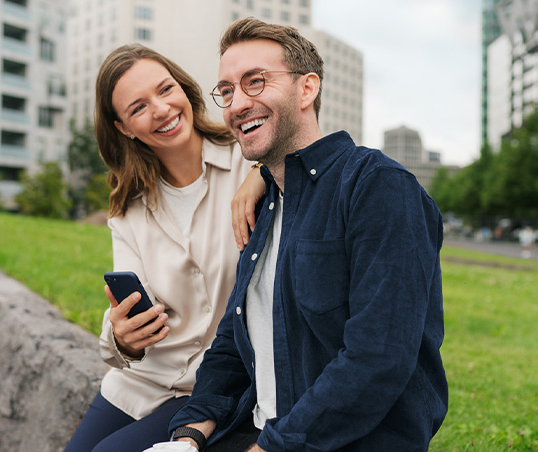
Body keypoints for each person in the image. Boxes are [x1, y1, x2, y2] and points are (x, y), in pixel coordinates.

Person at [168, 18, 448, 452]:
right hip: (261, 431)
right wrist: (188, 435)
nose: (237, 103)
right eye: (226, 90)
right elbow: (232, 345)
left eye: (255, 82)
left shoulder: (379, 187)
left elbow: (378, 359)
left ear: (307, 89)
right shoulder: (266, 203)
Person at [62, 44, 265, 452]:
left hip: (215, 384)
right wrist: (122, 338)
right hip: (140, 380)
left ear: (184, 89)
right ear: (124, 128)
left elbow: (308, 151)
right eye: (138, 107)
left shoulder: (249, 158)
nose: (160, 109)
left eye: (165, 89)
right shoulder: (128, 208)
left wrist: (262, 173)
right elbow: (131, 314)